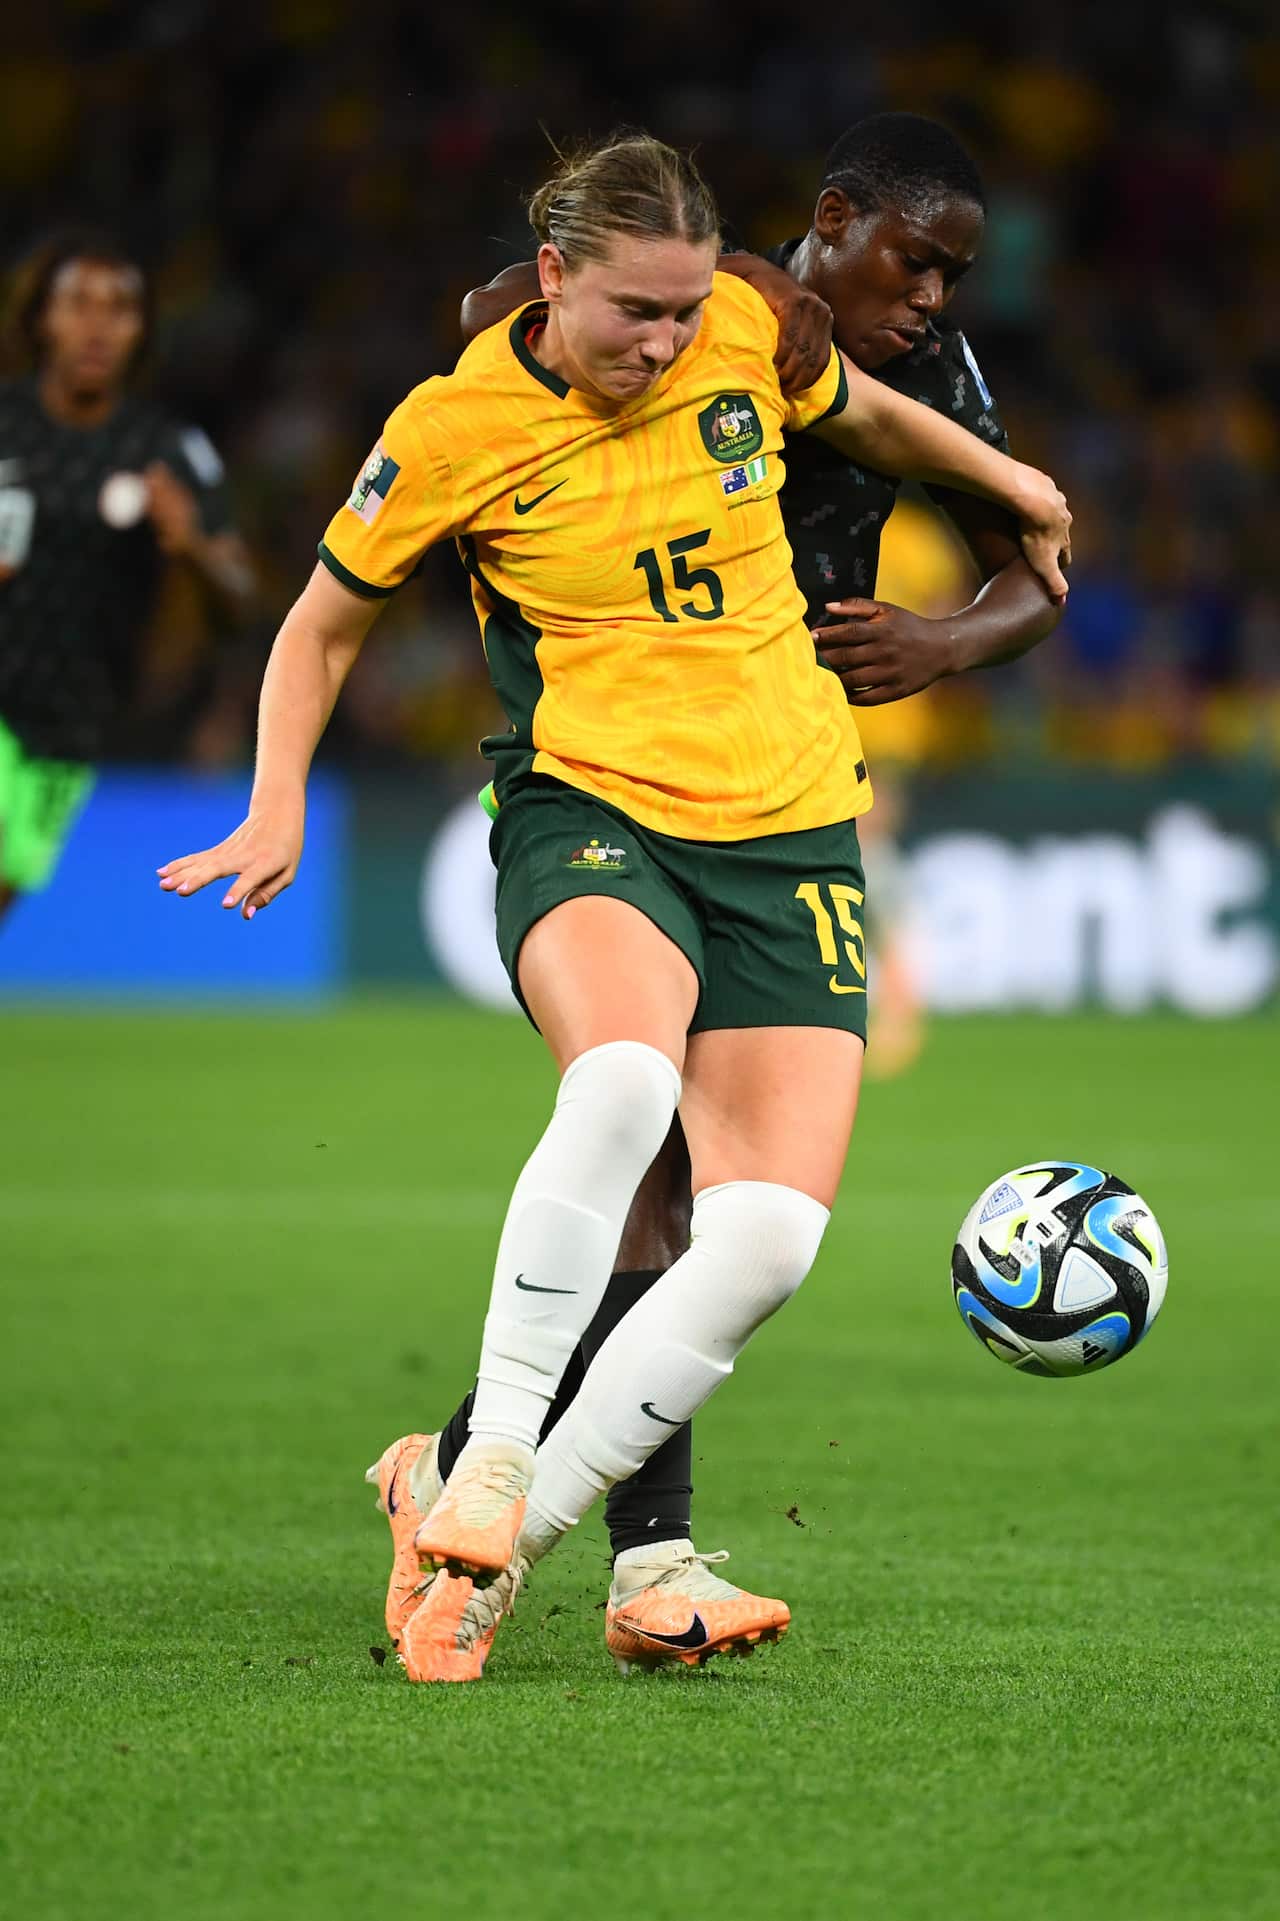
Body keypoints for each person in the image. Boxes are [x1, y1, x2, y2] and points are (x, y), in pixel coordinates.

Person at [159, 131, 1070, 1685]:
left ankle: (494, 1536)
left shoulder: (750, 328)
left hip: (791, 812)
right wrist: (276, 798)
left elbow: (874, 418)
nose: (662, 344)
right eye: (633, 312)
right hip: (594, 804)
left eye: (682, 313)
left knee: (764, 1239)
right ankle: (513, 1470)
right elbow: (319, 627)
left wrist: (1017, 486)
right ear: (561, 276)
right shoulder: (456, 425)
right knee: (629, 1087)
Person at [424, 114, 1064, 1670]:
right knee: (655, 1160)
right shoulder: (703, 311)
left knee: (732, 1217)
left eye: (956, 277)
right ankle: (640, 1558)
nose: (934, 302)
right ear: (834, 221)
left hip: (779, 792)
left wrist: (942, 646)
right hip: (623, 775)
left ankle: (459, 1468)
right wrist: (702, 301)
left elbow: (1037, 568)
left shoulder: (940, 388)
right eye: (916, 263)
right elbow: (494, 317)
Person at [0, 231, 255, 924]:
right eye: (78, 303)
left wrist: (193, 544)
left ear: (142, 328)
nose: (97, 325)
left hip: (67, 727)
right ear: (40, 319)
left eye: (120, 307)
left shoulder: (166, 449)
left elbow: (239, 598)